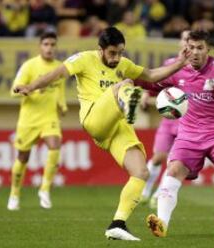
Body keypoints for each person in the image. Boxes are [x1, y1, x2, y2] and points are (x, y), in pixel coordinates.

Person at [13, 27, 189, 241]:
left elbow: (151, 75)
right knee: (126, 84)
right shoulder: (83, 59)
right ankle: (127, 102)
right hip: (94, 118)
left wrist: (179, 63)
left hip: (117, 127)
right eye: (112, 53)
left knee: (141, 172)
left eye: (120, 53)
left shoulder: (123, 64)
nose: (117, 58)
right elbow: (56, 74)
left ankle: (117, 224)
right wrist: (30, 87)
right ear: (101, 50)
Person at [145, 30, 214, 238]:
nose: (195, 52)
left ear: (208, 50)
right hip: (188, 135)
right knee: (173, 171)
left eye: (200, 48)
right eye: (191, 47)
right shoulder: (177, 69)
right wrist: (127, 81)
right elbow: (148, 82)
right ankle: (162, 223)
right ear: (185, 48)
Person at [7, 32, 67, 211]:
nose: (49, 48)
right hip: (29, 119)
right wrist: (25, 90)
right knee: (23, 157)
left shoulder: (60, 68)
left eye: (52, 44)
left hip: (49, 117)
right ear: (40, 46)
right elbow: (14, 90)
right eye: (46, 44)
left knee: (55, 146)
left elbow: (59, 90)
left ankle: (45, 189)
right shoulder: (29, 66)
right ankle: (14, 194)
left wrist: (62, 105)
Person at [140, 30, 190, 209]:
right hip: (169, 120)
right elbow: (157, 83)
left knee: (173, 163)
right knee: (158, 157)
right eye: (185, 39)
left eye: (191, 41)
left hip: (187, 123)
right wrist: (147, 94)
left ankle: (159, 195)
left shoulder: (198, 68)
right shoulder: (170, 64)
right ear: (179, 42)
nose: (187, 44)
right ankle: (145, 192)